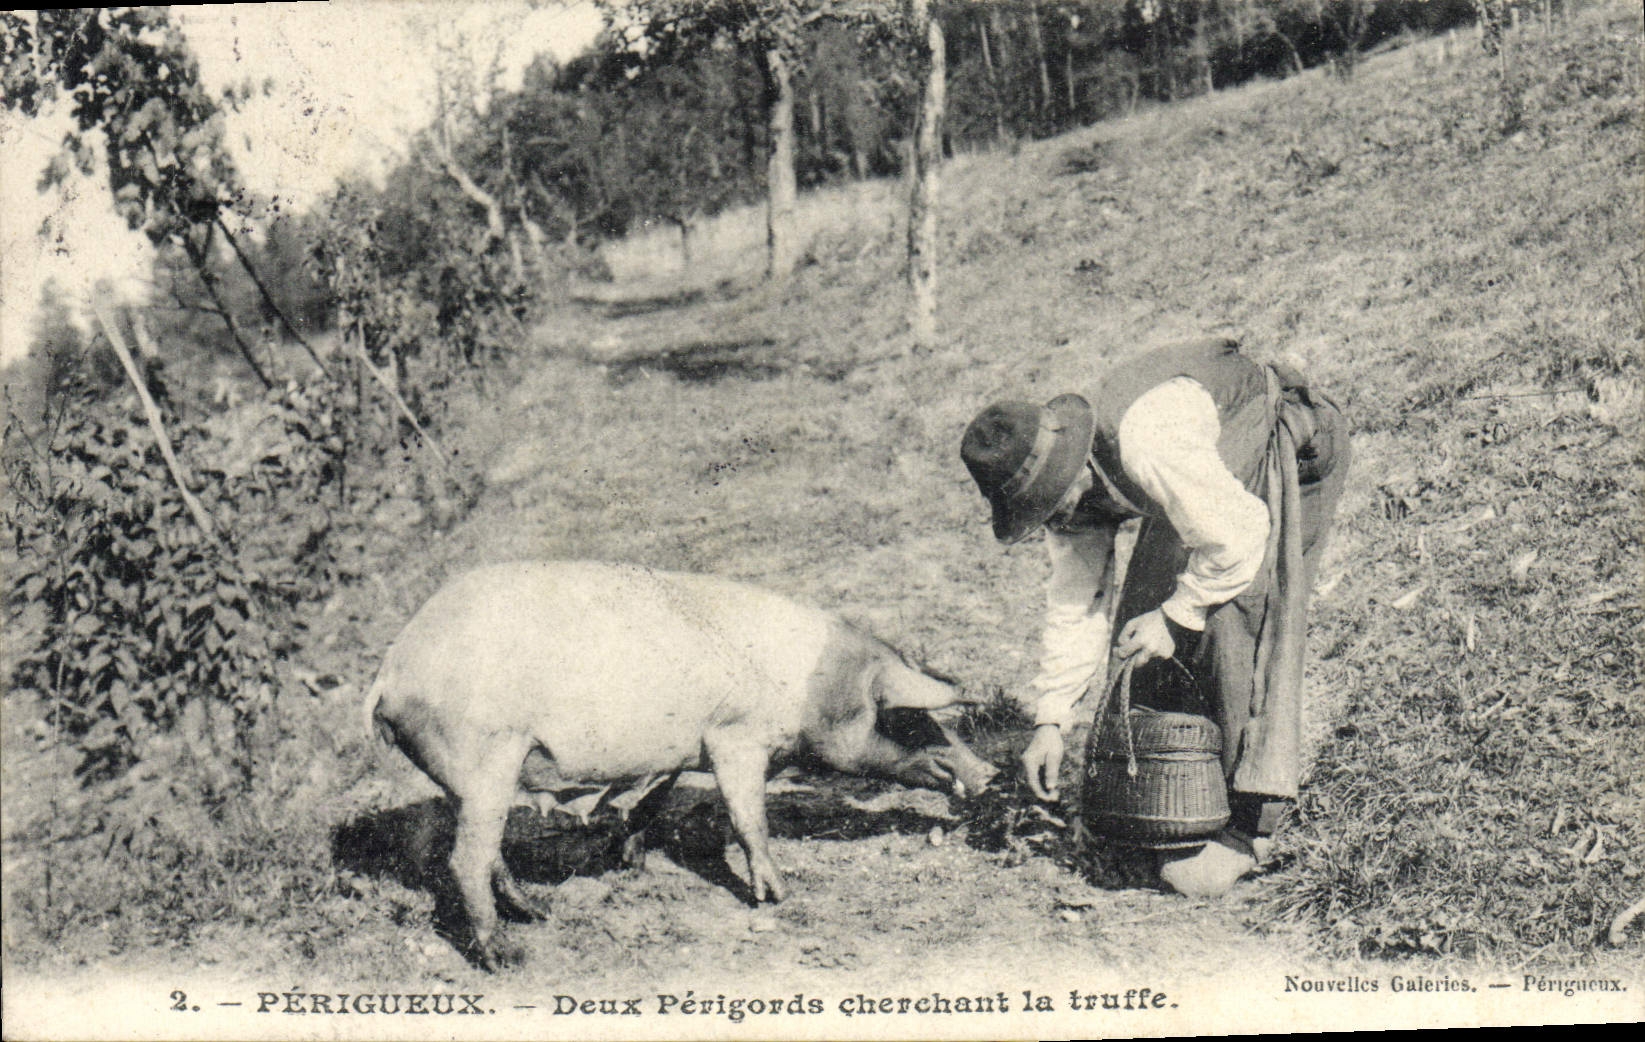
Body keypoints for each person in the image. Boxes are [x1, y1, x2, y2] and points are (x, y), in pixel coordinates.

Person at [960, 337, 1350, 898]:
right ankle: (1177, 794)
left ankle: (1253, 825)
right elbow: (1078, 598)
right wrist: (1051, 719)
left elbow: (1239, 536)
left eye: (1053, 504)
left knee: (1233, 614)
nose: (1058, 522)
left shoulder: (1149, 441)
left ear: (1072, 469)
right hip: (1213, 483)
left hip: (1287, 442)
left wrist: (1176, 616)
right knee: (1142, 621)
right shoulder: (1075, 492)